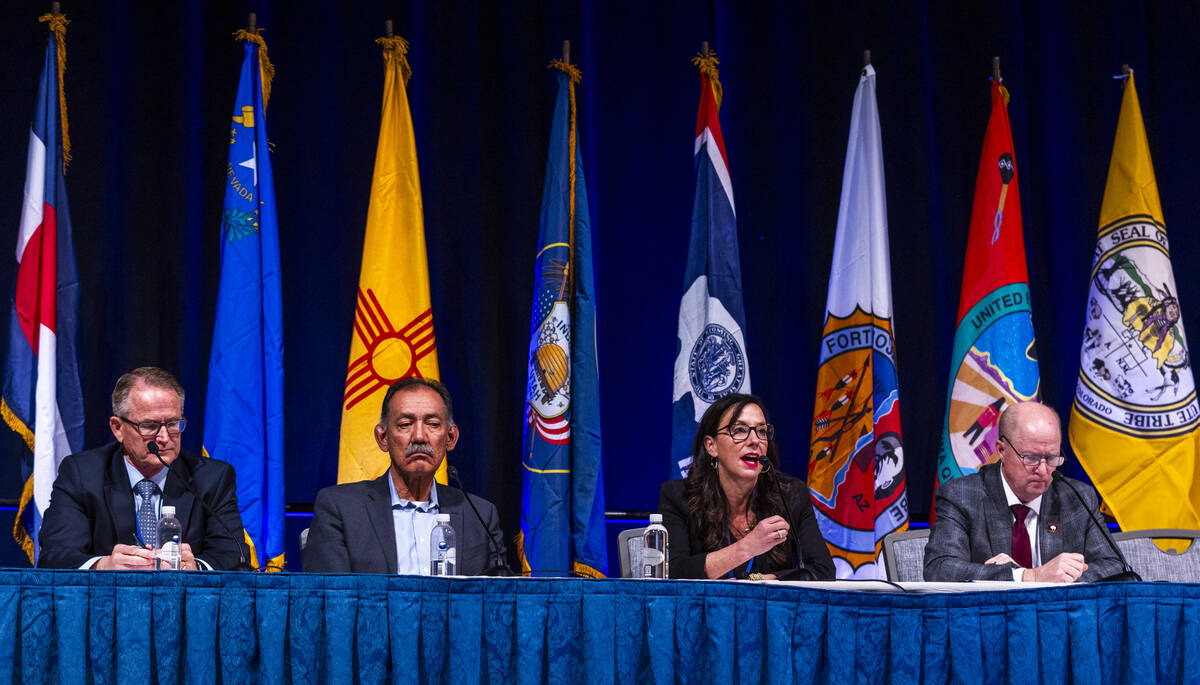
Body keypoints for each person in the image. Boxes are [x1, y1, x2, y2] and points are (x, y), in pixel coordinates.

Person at [38, 367, 246, 571]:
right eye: (150, 426)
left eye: (173, 424)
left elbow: (233, 555)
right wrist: (102, 565)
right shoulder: (82, 474)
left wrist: (196, 567)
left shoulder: (212, 478)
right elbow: (56, 555)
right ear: (117, 428)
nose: (164, 437)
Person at [304, 378, 508, 575]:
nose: (419, 436)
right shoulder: (341, 508)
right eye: (405, 424)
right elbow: (329, 599)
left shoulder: (480, 516)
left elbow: (499, 601)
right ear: (382, 438)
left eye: (433, 424)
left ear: (450, 438)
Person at [923, 401, 1125, 582]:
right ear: (1002, 450)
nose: (1044, 470)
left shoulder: (1076, 497)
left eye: (1052, 458)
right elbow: (940, 568)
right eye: (1031, 458)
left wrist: (1065, 579)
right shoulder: (961, 496)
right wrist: (1029, 576)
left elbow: (1116, 567)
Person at [658, 393, 835, 580]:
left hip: (772, 608)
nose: (755, 441)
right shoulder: (678, 496)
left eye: (762, 431)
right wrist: (747, 547)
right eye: (740, 430)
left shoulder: (790, 495)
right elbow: (672, 573)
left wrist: (760, 583)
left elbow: (823, 572)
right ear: (711, 446)